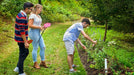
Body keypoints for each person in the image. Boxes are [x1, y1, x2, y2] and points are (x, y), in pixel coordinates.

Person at [13, 2, 34, 75]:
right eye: (30, 9)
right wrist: (25, 42)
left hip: (21, 38)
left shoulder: (22, 15)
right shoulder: (22, 17)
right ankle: (21, 72)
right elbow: (22, 31)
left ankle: (18, 67)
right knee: (24, 53)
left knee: (23, 53)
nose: (31, 11)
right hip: (21, 39)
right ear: (27, 9)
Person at [28, 4, 48, 69]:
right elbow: (30, 25)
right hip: (33, 33)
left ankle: (42, 62)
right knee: (35, 48)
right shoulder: (32, 15)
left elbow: (38, 25)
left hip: (38, 33)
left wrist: (43, 27)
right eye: (40, 9)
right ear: (36, 8)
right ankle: (35, 63)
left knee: (43, 47)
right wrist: (39, 27)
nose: (41, 10)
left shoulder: (38, 16)